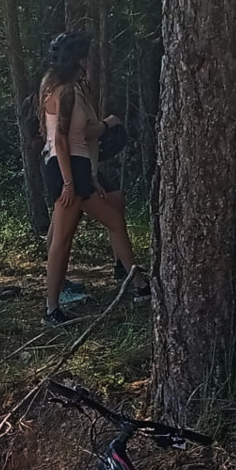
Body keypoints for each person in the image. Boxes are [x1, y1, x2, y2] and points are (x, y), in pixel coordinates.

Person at [38, 31, 145, 326]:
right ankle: (51, 309)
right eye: (87, 57)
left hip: (77, 167)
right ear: (80, 61)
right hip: (67, 167)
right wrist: (70, 182)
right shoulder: (65, 92)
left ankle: (138, 283)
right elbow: (61, 140)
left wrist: (89, 177)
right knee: (62, 240)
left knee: (113, 220)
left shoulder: (57, 87)